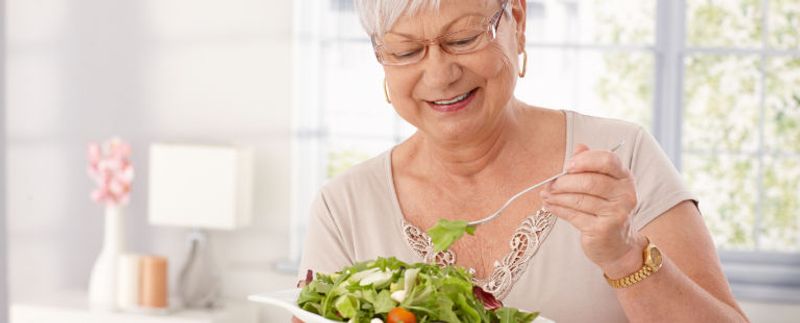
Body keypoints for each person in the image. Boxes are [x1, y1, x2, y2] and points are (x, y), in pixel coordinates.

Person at [297, 0, 748, 321]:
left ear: (516, 19)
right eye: (405, 51)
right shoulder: (345, 206)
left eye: (463, 38)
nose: (439, 74)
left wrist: (625, 256)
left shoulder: (619, 156)